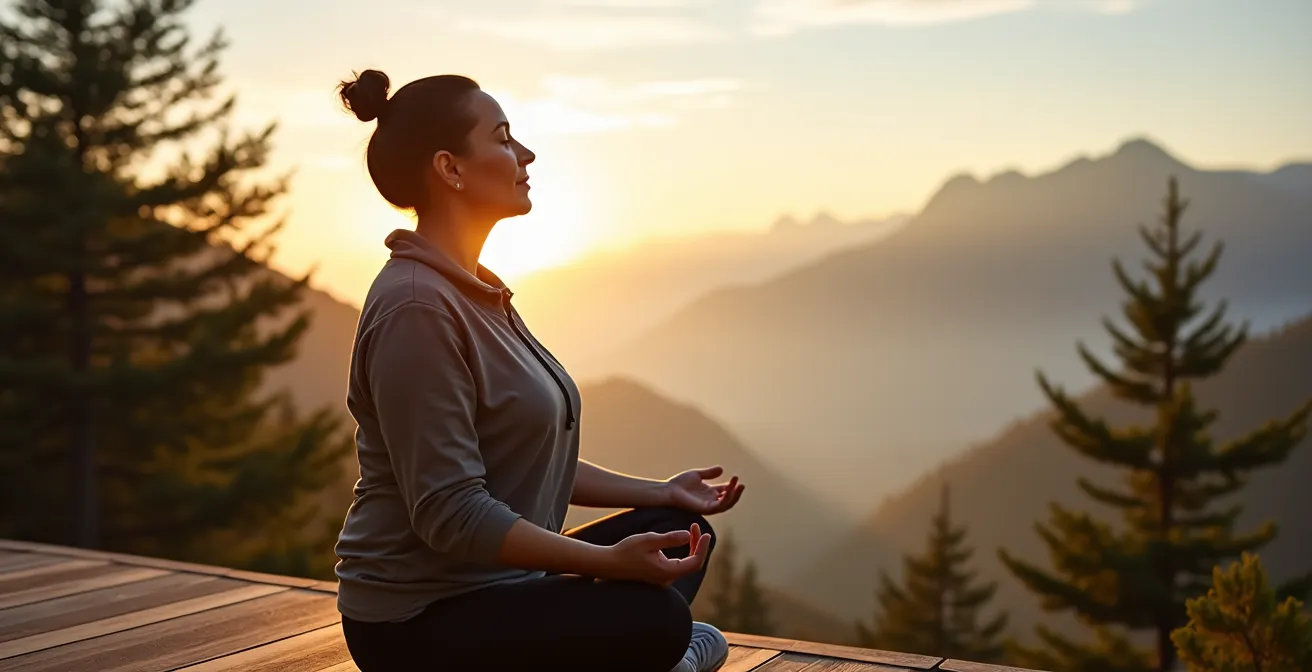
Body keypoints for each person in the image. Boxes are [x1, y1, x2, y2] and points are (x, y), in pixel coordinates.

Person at [331, 69, 747, 672]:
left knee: (681, 530)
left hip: (503, 584)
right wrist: (609, 564)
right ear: (450, 168)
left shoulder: (476, 291)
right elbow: (451, 512)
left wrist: (662, 491)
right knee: (656, 619)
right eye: (503, 138)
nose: (525, 154)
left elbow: (526, 460)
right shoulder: (417, 310)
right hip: (417, 622)